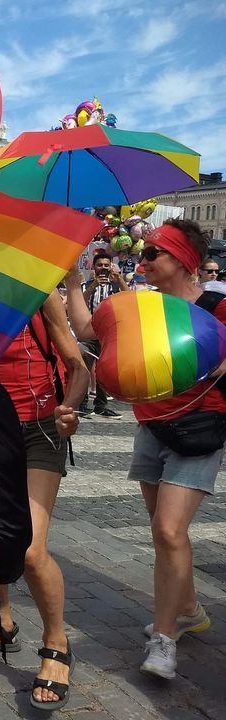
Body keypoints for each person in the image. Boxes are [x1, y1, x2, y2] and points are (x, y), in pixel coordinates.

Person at [65, 219, 219, 681]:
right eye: (145, 253)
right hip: (152, 426)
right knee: (161, 532)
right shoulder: (139, 304)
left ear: (183, 261)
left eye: (154, 254)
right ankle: (189, 607)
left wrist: (208, 363)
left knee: (170, 532)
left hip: (200, 428)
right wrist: (74, 277)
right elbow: (88, 328)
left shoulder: (217, 305)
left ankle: (165, 636)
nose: (143, 259)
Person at [0, 298, 88, 711]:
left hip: (40, 429)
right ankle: (1, 618)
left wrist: (69, 410)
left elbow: (79, 368)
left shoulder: (37, 296)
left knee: (29, 547)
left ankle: (56, 643)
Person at [78, 251, 126, 419]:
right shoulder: (86, 285)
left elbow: (129, 298)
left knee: (104, 371)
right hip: (88, 333)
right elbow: (79, 303)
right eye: (100, 265)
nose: (103, 268)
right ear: (94, 267)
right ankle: (82, 404)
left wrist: (119, 279)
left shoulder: (115, 287)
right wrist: (93, 287)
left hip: (108, 335)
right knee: (83, 368)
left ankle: (101, 405)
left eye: (106, 265)